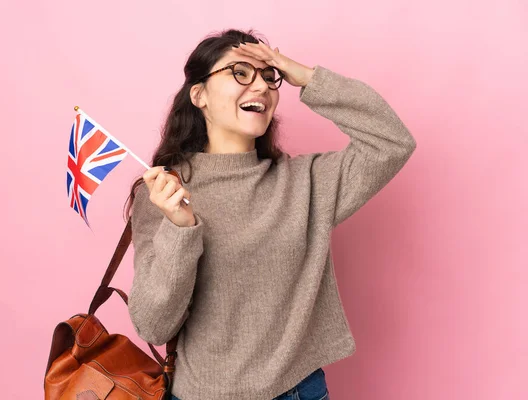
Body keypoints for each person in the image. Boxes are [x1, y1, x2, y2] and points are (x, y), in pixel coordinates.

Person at [125, 29, 416, 400]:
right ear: (198, 95)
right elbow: (153, 325)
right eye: (240, 73)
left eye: (268, 76)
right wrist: (181, 230)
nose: (261, 86)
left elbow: (392, 142)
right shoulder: (163, 193)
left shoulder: (306, 183)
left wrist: (308, 78)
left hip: (300, 391)